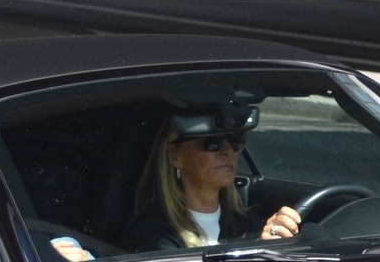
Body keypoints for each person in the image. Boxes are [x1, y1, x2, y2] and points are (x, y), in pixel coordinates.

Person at [125, 107, 305, 253]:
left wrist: (270, 242)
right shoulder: (153, 234)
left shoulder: (249, 225)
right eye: (212, 142)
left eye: (236, 140)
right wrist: (256, 249)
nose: (227, 150)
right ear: (175, 156)